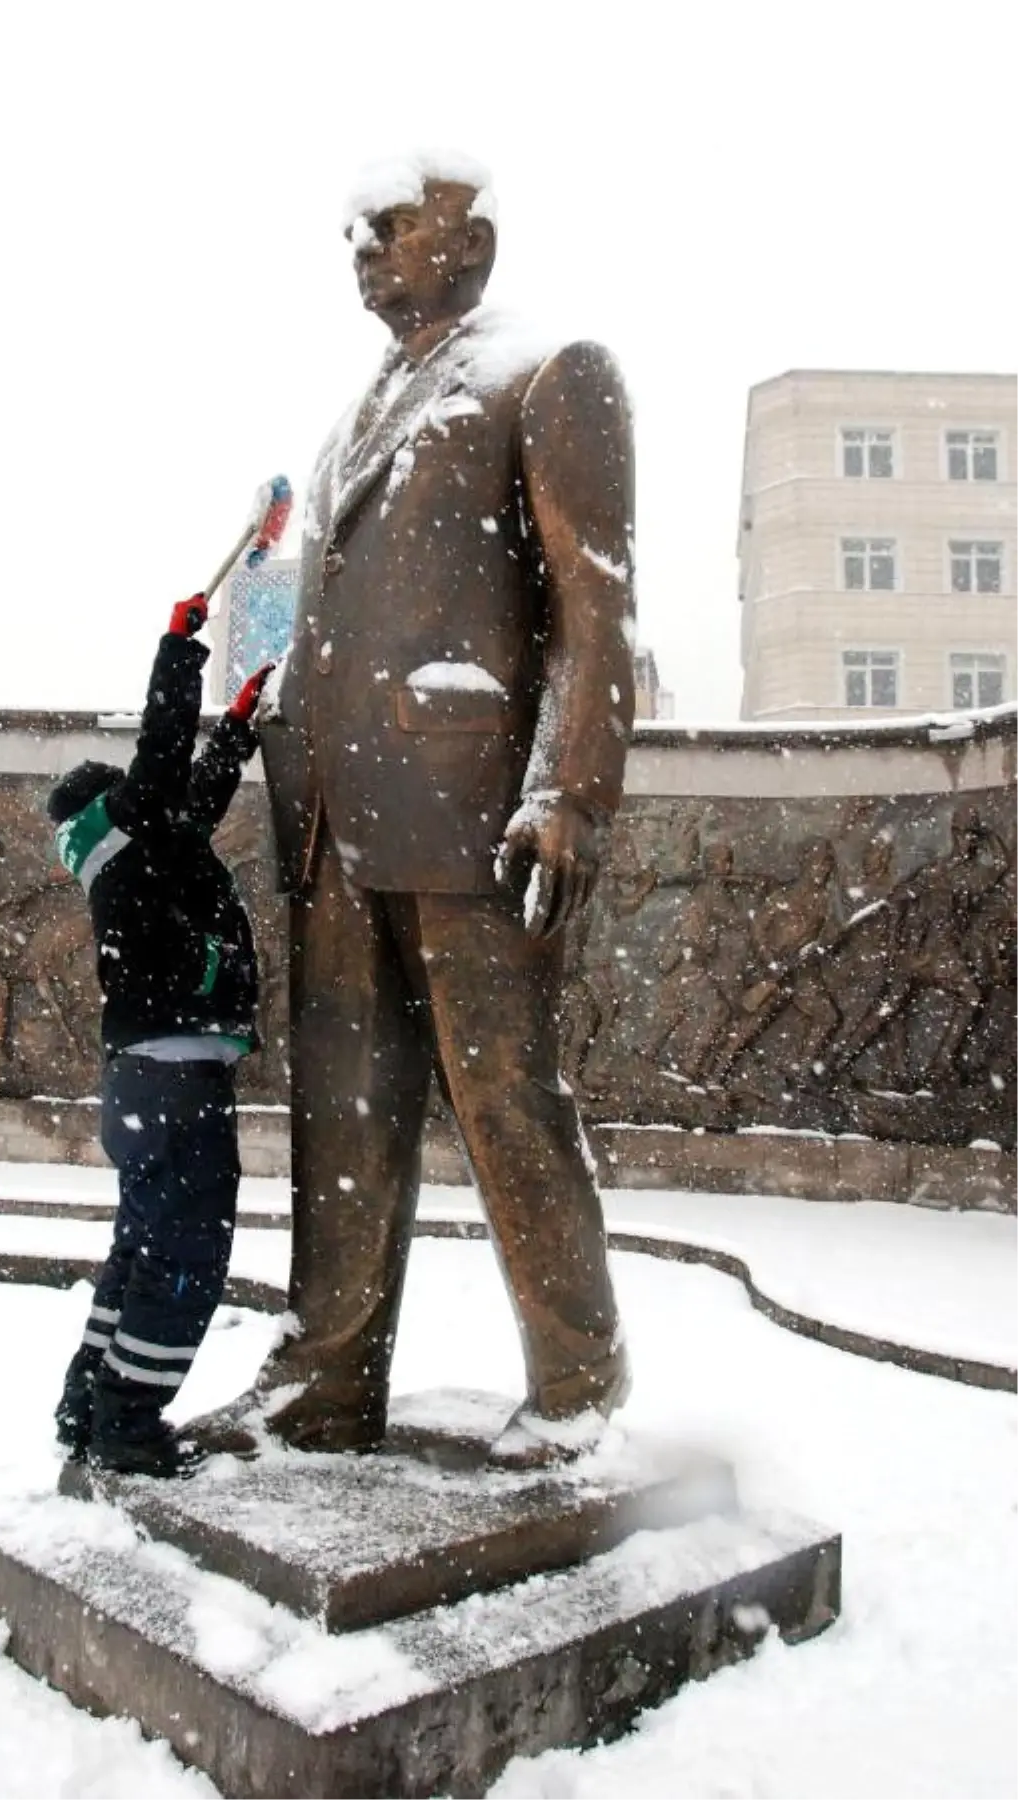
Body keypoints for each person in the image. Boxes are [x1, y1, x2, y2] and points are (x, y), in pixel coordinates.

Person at [192, 154, 636, 1469]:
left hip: (472, 811)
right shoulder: (351, 418)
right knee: (344, 1113)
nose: (365, 247)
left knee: (507, 1102)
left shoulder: (549, 371)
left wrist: (567, 789)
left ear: (474, 237)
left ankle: (578, 1387)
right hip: (333, 816)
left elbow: (597, 607)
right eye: (354, 232)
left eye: (390, 225)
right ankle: (326, 1378)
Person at [46, 592, 270, 1476]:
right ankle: (129, 1426)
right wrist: (182, 652)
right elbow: (164, 757)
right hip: (176, 1086)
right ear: (113, 803)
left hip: (142, 1084)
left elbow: (191, 797)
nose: (159, 797)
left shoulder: (129, 857)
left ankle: (87, 1404)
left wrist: (239, 731)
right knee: (185, 1257)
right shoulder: (126, 836)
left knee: (140, 1248)